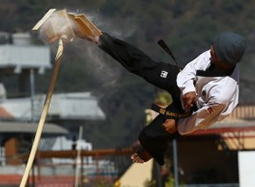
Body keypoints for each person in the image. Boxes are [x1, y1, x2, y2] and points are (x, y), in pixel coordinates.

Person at [71, 15, 244, 165]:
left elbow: (202, 120)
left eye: (214, 52)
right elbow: (189, 69)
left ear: (225, 61)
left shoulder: (223, 94)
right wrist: (189, 89)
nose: (210, 51)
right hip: (187, 84)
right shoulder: (213, 53)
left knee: (149, 135)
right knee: (145, 66)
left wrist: (177, 125)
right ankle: (99, 38)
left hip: (195, 109)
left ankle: (151, 151)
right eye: (212, 47)